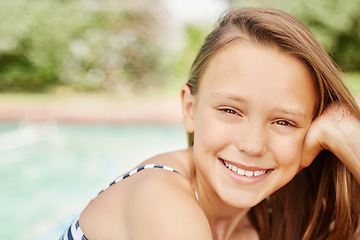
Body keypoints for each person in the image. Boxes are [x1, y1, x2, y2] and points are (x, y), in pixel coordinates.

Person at [60, 7, 360, 240]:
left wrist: (345, 131)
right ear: (190, 109)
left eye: (284, 121)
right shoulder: (159, 198)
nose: (253, 145)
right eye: (230, 111)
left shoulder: (266, 222)